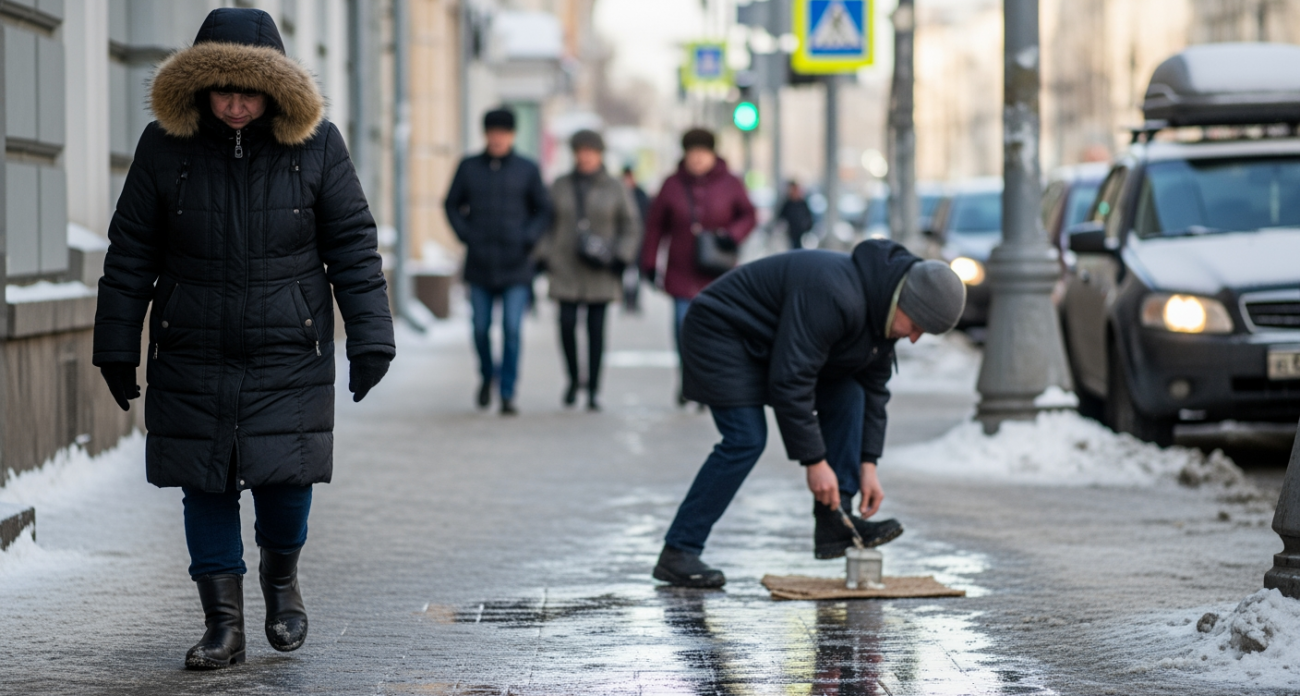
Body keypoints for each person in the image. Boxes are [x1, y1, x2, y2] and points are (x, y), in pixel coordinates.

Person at [93, 8, 395, 669]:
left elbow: (352, 245)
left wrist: (371, 335)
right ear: (200, 88)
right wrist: (115, 343)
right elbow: (131, 251)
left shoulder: (317, 146)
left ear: (276, 90)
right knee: (204, 483)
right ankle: (222, 625)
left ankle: (281, 581)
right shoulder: (163, 146)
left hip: (289, 347)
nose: (235, 105)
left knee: (287, 481)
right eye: (223, 91)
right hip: (192, 346)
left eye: (250, 92)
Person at [651, 240, 967, 588]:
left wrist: (868, 465)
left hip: (771, 344)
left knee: (850, 393)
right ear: (903, 301)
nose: (915, 339)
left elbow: (875, 393)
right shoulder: (835, 295)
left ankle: (835, 520)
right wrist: (815, 462)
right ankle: (679, 551)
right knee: (745, 439)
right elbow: (791, 380)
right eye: (917, 326)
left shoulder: (882, 312)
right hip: (722, 331)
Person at [445, 108, 554, 415]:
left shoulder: (527, 169)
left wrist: (528, 237)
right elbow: (451, 204)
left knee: (512, 330)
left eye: (503, 133)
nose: (497, 138)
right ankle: (486, 375)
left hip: (516, 265)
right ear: (485, 134)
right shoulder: (469, 167)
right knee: (480, 328)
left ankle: (507, 392)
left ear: (512, 135)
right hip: (479, 263)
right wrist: (466, 234)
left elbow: (544, 209)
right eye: (492, 132)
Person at [640, 128, 756, 406]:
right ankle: (687, 379)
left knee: (716, 330)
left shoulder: (731, 183)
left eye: (703, 153)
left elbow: (749, 215)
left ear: (713, 154)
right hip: (681, 270)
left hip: (718, 272)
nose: (697, 159)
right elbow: (655, 227)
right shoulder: (671, 184)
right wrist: (649, 262)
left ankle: (707, 383)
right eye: (692, 153)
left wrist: (732, 235)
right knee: (683, 327)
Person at [535, 130, 642, 411]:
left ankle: (594, 388)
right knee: (566, 325)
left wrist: (621, 256)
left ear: (600, 154)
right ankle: (573, 379)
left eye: (590, 151)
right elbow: (546, 223)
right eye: (580, 151)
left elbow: (630, 224)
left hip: (601, 267)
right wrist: (544, 255)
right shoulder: (560, 185)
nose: (585, 157)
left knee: (596, 330)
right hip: (565, 265)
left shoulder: (615, 187)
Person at [620, 165, 652, 313]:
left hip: (640, 240)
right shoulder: (620, 193)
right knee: (626, 273)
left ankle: (635, 301)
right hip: (624, 239)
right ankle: (626, 300)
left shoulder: (641, 194)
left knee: (637, 274)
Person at [777, 180, 814, 250]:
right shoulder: (788, 204)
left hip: (801, 232)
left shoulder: (802, 203)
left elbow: (808, 217)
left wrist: (807, 226)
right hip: (791, 232)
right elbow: (781, 217)